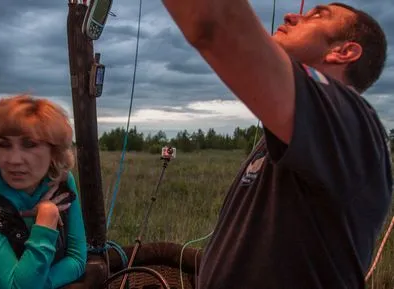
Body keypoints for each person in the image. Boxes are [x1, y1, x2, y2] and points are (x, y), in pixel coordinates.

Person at [162, 1, 392, 288]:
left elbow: (213, 20)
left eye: (316, 15)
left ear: (343, 52)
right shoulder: (294, 136)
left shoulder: (353, 124)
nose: (291, 15)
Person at [0, 95, 87, 289]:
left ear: (54, 151)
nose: (14, 159)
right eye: (4, 144)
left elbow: (77, 260)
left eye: (30, 144)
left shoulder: (60, 181)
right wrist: (47, 217)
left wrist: (42, 283)